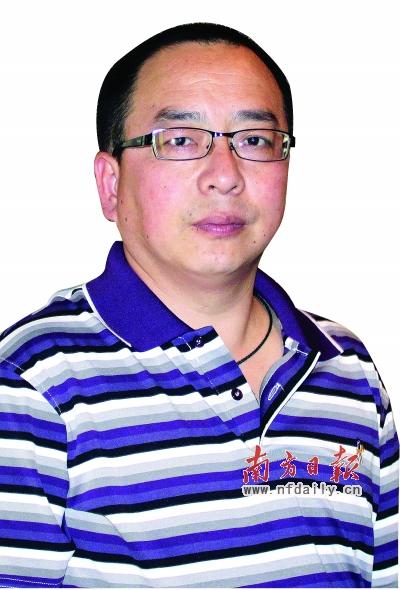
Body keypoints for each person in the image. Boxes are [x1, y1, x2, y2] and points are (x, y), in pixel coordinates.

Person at [0, 22, 397, 588]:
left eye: (254, 141)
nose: (225, 176)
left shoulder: (345, 367)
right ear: (110, 183)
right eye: (181, 140)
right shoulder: (31, 382)